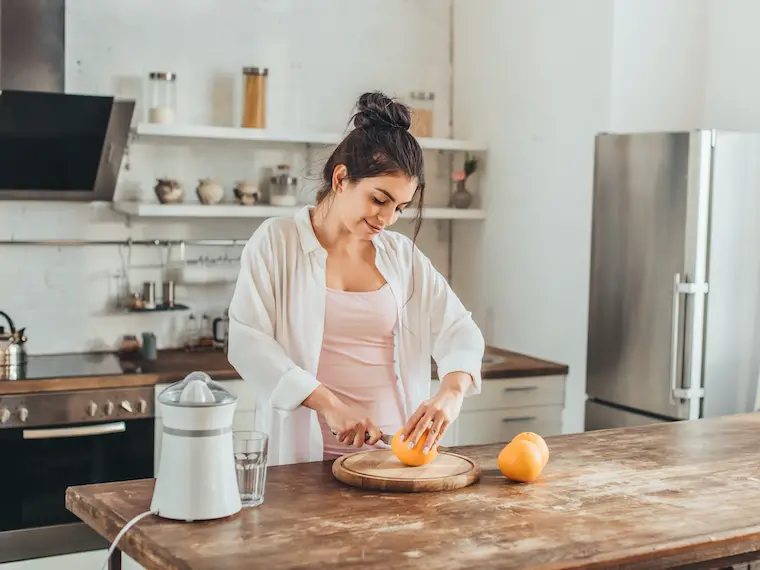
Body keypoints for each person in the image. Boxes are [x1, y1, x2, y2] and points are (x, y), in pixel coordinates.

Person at [227, 91, 484, 465]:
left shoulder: (400, 256)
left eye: (399, 207)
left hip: (394, 459)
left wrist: (452, 392)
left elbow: (459, 329)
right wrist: (328, 404)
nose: (388, 218)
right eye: (379, 200)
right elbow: (248, 343)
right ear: (341, 178)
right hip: (304, 465)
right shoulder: (277, 242)